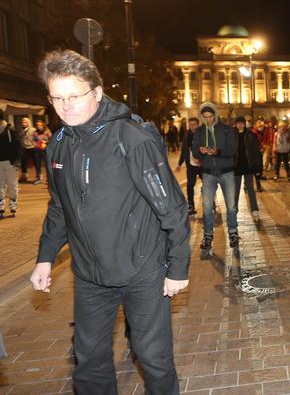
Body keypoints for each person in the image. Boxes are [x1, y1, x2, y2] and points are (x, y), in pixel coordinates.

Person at [30, 49, 190, 393]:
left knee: (153, 357)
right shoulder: (57, 144)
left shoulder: (131, 138)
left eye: (74, 96)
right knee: (88, 360)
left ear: (97, 92)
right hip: (89, 273)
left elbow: (171, 208)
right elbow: (60, 206)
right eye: (57, 97)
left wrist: (178, 267)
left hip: (142, 269)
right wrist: (45, 256)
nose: (65, 106)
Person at [193, 102, 239, 257]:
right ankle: (207, 237)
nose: (208, 120)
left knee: (231, 205)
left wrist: (217, 152)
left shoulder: (226, 129)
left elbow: (232, 149)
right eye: (205, 117)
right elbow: (195, 152)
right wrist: (200, 152)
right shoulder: (199, 131)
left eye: (210, 116)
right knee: (207, 207)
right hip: (208, 173)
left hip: (226, 171)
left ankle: (233, 233)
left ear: (215, 115)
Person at [234, 116, 262, 221]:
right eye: (238, 123)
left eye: (241, 123)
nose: (240, 125)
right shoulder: (232, 135)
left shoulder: (250, 134)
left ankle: (255, 210)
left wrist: (258, 168)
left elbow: (256, 152)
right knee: (235, 190)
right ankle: (234, 210)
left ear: (244, 124)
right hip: (236, 166)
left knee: (250, 188)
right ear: (236, 124)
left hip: (248, 165)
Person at [176, 117, 202, 215]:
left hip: (202, 164)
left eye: (194, 124)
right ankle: (191, 206)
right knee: (190, 185)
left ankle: (210, 203)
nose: (192, 126)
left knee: (207, 185)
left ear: (198, 124)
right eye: (191, 124)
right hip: (190, 165)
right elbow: (184, 150)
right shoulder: (187, 135)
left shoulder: (202, 134)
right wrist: (179, 164)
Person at [0, 110, 19, 217]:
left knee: (12, 184)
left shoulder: (10, 131)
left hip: (9, 162)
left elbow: (17, 147)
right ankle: (1, 204)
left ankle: (13, 203)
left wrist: (16, 161)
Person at [33, 120, 51, 185]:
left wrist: (45, 142)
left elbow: (52, 139)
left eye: (40, 125)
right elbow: (34, 140)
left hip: (45, 150)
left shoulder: (47, 132)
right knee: (38, 164)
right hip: (37, 150)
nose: (38, 126)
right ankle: (39, 178)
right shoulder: (35, 132)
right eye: (37, 125)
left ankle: (49, 179)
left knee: (47, 164)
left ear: (43, 125)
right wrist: (35, 143)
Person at [18, 117, 36, 183]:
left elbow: (36, 139)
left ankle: (38, 176)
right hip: (24, 148)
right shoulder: (21, 130)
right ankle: (24, 176)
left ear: (29, 123)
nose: (23, 123)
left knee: (36, 162)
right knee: (23, 163)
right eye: (22, 122)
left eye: (25, 122)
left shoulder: (33, 130)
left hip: (32, 148)